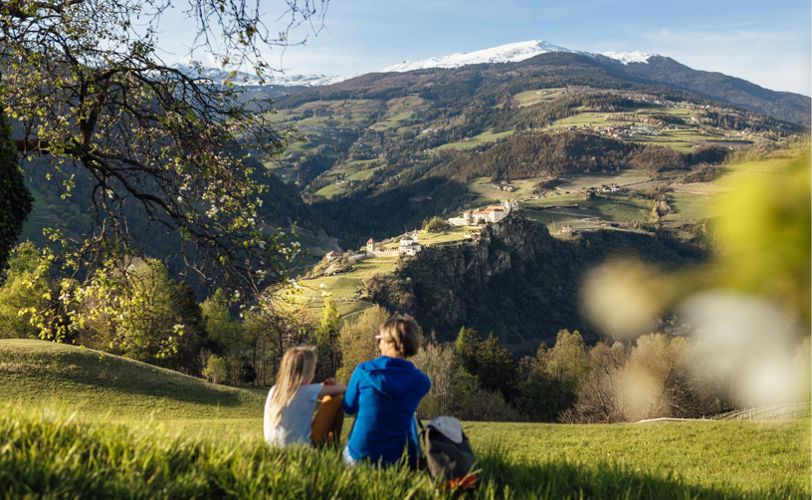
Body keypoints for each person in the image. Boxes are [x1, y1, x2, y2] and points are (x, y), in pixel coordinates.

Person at [343, 314, 431, 467]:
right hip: (398, 463)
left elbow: (349, 407)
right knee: (408, 416)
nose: (378, 343)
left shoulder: (363, 370)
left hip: (358, 459)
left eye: (379, 338)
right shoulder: (421, 382)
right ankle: (414, 457)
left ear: (390, 343)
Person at [264, 346, 347, 447]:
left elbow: (304, 394)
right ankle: (333, 445)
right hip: (302, 448)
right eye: (313, 368)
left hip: (273, 447)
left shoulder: (274, 390)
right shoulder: (308, 391)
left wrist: (322, 387)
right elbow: (343, 388)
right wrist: (333, 384)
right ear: (308, 371)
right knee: (337, 398)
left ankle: (332, 445)